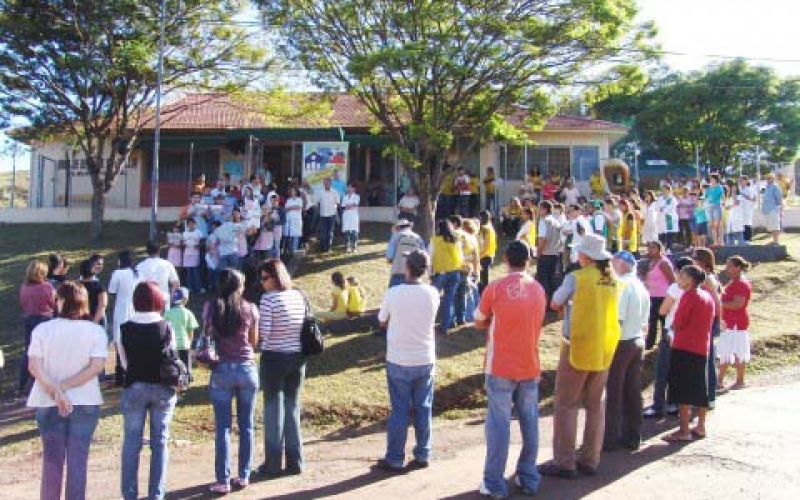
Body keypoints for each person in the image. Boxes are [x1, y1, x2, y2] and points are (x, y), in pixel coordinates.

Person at [539, 233, 620, 478]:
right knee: (596, 405)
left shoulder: (577, 277)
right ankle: (590, 459)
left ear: (586, 255)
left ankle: (564, 461)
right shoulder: (612, 279)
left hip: (577, 345)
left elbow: (555, 301)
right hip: (604, 347)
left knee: (566, 403)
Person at [473, 241, 546, 498]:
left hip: (500, 365)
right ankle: (528, 477)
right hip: (529, 363)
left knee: (498, 425)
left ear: (505, 259)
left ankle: (494, 483)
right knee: (530, 422)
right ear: (529, 259)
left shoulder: (495, 288)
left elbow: (479, 320)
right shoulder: (538, 289)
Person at [27, 281, 107, 500]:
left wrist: (56, 389)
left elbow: (34, 367)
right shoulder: (96, 331)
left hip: (47, 399)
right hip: (85, 401)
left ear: (60, 302)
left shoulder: (42, 329)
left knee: (52, 462)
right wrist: (63, 388)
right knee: (78, 461)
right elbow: (96, 367)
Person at [375, 249, 440, 473]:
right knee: (423, 407)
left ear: (407, 267)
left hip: (399, 357)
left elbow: (382, 321)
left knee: (400, 409)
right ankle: (423, 453)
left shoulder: (394, 293)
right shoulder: (433, 293)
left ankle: (395, 457)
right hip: (424, 356)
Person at [118, 281, 179, 500]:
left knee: (131, 444)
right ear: (158, 300)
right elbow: (172, 357)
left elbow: (124, 362)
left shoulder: (124, 327)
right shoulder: (166, 326)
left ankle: (129, 494)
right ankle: (156, 494)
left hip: (134, 385)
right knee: (160, 443)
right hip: (162, 387)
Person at [203, 270, 260, 493]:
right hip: (247, 368)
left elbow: (207, 334)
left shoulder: (211, 308)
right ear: (239, 286)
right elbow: (254, 342)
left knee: (223, 428)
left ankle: (222, 480)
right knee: (247, 426)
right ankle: (244, 475)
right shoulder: (251, 308)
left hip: (221, 369)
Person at [257, 259, 307, 477]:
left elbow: (264, 332)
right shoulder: (298, 295)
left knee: (273, 412)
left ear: (275, 278)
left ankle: (273, 463)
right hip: (297, 358)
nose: (262, 283)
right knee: (292, 409)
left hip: (274, 358)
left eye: (265, 278)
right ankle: (295, 462)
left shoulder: (268, 299)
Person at [662, 265, 715, 442]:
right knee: (700, 388)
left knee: (682, 389)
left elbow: (679, 321)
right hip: (701, 347)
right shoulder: (707, 296)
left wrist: (672, 328)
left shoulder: (689, 296)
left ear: (690, 280)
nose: (678, 278)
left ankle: (683, 430)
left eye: (682, 276)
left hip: (685, 347)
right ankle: (700, 426)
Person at [604, 251, 650, 451]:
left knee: (614, 391)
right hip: (637, 339)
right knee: (632, 391)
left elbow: (617, 320)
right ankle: (633, 434)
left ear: (621, 264)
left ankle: (610, 438)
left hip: (622, 342)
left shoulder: (622, 286)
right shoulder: (641, 286)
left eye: (613, 262)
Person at [644, 257, 694, 419]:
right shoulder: (697, 288)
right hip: (687, 333)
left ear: (679, 272)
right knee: (679, 370)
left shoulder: (675, 288)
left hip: (671, 331)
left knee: (663, 369)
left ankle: (658, 405)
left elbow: (663, 311)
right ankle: (674, 404)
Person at [18, 260, 57, 399]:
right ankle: (41, 382)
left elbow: (22, 303)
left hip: (29, 318)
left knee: (29, 351)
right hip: (44, 319)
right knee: (46, 352)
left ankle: (22, 383)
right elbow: (54, 303)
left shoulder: (24, 287)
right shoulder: (46, 287)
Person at [718, 256, 752, 390]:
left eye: (730, 265)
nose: (727, 268)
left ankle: (738, 381)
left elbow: (738, 304)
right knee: (728, 350)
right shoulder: (734, 282)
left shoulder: (740, 284)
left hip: (736, 322)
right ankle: (723, 380)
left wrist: (720, 303)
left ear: (738, 268)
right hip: (730, 322)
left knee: (736, 350)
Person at [108, 250, 141, 387]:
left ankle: (121, 374)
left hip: (121, 310)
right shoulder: (137, 273)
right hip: (136, 309)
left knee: (119, 340)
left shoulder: (118, 273)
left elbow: (112, 291)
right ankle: (134, 371)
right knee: (133, 341)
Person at [429, 219, 463, 335]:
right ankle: (445, 326)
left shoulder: (434, 241)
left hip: (440, 272)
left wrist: (430, 273)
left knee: (432, 299)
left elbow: (430, 257)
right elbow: (461, 256)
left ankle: (428, 324)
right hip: (454, 271)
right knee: (449, 300)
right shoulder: (455, 240)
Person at [164, 287, 199, 385]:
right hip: (184, 343)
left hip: (172, 344)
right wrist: (190, 343)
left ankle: (174, 378)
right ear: (185, 299)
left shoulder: (168, 313)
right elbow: (190, 331)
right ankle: (187, 379)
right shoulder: (188, 313)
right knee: (186, 363)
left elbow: (165, 329)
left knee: (174, 363)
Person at [644, 241, 675, 350]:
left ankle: (664, 344)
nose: (650, 250)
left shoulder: (663, 263)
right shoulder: (651, 262)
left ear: (659, 248)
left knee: (663, 321)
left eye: (653, 248)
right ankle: (650, 343)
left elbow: (672, 280)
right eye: (649, 247)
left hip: (663, 297)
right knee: (652, 321)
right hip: (652, 296)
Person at [136, 241, 180, 310]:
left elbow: (136, 285)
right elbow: (176, 283)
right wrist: (171, 298)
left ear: (147, 251)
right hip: (164, 300)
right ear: (159, 251)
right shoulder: (167, 264)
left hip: (147, 302)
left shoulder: (140, 266)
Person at [536, 201, 563, 304]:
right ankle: (552, 301)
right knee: (552, 278)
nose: (538, 211)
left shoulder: (544, 221)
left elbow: (542, 239)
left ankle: (545, 302)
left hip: (545, 253)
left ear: (545, 209)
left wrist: (539, 251)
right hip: (554, 253)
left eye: (540, 208)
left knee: (543, 279)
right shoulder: (555, 221)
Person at [386, 219, 426, 288]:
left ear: (398, 227)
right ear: (409, 227)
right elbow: (424, 255)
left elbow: (389, 255)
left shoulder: (396, 236)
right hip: (414, 275)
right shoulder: (418, 238)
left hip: (397, 271)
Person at [317, 177, 341, 252]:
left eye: (327, 182)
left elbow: (338, 203)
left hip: (332, 214)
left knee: (330, 232)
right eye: (324, 182)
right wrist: (318, 211)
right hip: (323, 215)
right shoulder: (320, 192)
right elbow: (317, 202)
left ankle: (329, 247)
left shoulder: (335, 192)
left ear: (330, 183)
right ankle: (323, 247)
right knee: (323, 232)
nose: (326, 184)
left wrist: (334, 209)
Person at [182, 218, 204, 294]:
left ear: (195, 224)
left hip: (195, 253)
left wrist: (198, 246)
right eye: (189, 224)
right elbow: (183, 242)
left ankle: (199, 287)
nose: (191, 225)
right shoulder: (185, 233)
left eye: (192, 224)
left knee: (196, 272)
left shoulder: (199, 232)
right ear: (187, 225)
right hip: (187, 254)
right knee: (188, 272)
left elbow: (202, 242)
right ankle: (189, 288)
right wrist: (183, 244)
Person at [478, 210, 497, 294]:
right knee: (484, 275)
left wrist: (480, 254)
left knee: (483, 276)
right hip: (490, 253)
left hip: (485, 255)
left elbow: (486, 243)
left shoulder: (485, 228)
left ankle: (484, 292)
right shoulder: (491, 227)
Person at [761, 173, 784, 245]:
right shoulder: (767, 187)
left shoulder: (775, 187)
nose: (768, 180)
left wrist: (779, 208)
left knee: (775, 225)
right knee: (771, 226)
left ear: (773, 179)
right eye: (767, 178)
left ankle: (776, 241)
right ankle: (774, 241)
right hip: (767, 210)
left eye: (769, 178)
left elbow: (779, 198)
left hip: (773, 209)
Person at [704, 174, 725, 247]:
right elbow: (705, 197)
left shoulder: (719, 187)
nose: (711, 180)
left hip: (717, 206)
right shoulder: (708, 188)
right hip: (709, 207)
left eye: (712, 178)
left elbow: (722, 196)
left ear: (716, 179)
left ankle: (721, 241)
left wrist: (723, 203)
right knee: (712, 226)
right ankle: (715, 242)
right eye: (710, 179)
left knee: (718, 225)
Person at [341, 183, 361, 253]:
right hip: (346, 216)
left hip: (353, 216)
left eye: (350, 187)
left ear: (353, 189)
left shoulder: (357, 196)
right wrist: (350, 206)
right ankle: (347, 247)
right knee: (346, 232)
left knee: (354, 232)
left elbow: (355, 205)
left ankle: (354, 247)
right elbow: (343, 207)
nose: (348, 188)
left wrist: (348, 206)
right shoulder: (344, 196)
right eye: (348, 187)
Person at [283, 187, 303, 256]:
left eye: (293, 191)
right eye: (291, 191)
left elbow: (298, 207)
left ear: (296, 192)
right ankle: (290, 252)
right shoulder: (288, 200)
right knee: (289, 237)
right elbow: (285, 209)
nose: (292, 192)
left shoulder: (299, 199)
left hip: (296, 220)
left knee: (295, 237)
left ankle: (294, 252)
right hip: (289, 220)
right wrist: (292, 208)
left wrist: (290, 208)